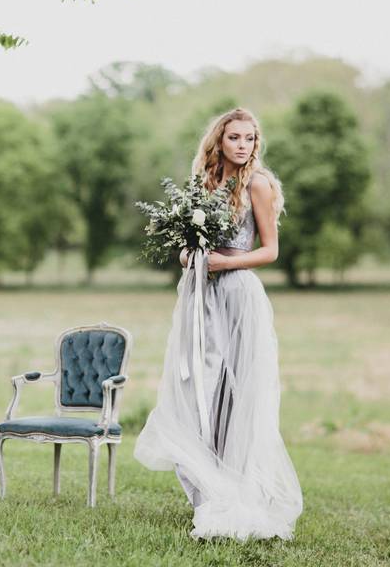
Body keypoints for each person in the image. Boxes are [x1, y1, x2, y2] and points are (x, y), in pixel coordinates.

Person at [133, 107, 303, 541]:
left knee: (237, 389)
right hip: (200, 297)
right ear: (219, 141)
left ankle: (240, 489)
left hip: (238, 295)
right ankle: (209, 489)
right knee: (199, 388)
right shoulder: (204, 185)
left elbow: (270, 252)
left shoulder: (258, 185)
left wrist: (223, 263)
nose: (243, 146)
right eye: (235, 138)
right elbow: (189, 248)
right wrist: (191, 258)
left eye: (249, 138)